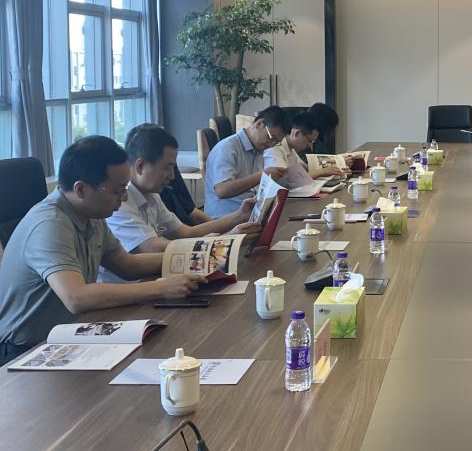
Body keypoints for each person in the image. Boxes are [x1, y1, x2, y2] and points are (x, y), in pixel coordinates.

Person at [0, 137, 202, 365]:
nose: (124, 198)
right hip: (25, 352)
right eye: (117, 190)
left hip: (70, 333)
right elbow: (77, 297)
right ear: (81, 189)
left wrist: (191, 258)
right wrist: (161, 288)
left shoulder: (91, 215)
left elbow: (128, 265)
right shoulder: (50, 224)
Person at [105, 125, 261, 259]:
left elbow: (184, 232)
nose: (172, 176)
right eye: (167, 167)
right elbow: (153, 247)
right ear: (140, 166)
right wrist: (225, 240)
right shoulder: (118, 201)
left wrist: (240, 216)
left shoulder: (151, 194)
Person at [204, 106, 290, 216]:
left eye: (276, 142)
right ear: (259, 124)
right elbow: (222, 190)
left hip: (248, 214)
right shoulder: (227, 148)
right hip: (223, 218)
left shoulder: (258, 149)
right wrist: (262, 175)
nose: (270, 144)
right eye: (270, 137)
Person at [264, 110, 347, 178]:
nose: (309, 146)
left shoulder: (291, 149)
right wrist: (322, 172)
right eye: (309, 141)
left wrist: (337, 169)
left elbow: (305, 169)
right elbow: (284, 180)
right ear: (296, 133)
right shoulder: (275, 147)